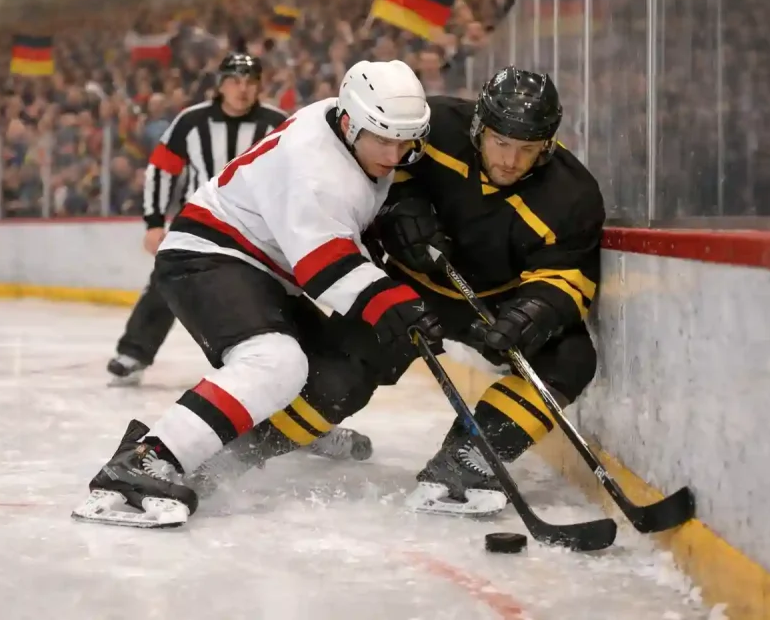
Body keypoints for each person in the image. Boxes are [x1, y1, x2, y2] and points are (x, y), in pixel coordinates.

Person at [193, 67, 605, 517]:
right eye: (500, 143)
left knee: (570, 357)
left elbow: (569, 275)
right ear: (478, 127)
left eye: (527, 149)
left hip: (495, 303)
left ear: (547, 145)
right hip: (406, 288)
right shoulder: (435, 125)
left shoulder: (572, 194)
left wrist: (533, 312)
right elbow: (376, 171)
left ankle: (469, 458)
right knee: (338, 380)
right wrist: (399, 209)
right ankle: (243, 450)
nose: (510, 160)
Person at [72, 59, 444, 528]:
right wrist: (393, 303)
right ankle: (145, 460)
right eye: (384, 141)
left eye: (405, 142)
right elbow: (324, 266)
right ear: (350, 124)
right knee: (274, 361)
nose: (394, 155)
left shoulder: (348, 122)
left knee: (340, 377)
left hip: (264, 268)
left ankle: (230, 453)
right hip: (206, 254)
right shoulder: (316, 165)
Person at [106, 52, 288, 388]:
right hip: (199, 222)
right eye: (234, 81)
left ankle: (271, 364)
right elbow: (161, 170)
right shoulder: (191, 121)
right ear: (220, 85)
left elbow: (295, 175)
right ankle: (133, 354)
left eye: (250, 82)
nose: (242, 89)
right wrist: (154, 222)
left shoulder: (277, 124)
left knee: (263, 293)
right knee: (168, 281)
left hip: (256, 228)